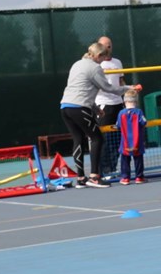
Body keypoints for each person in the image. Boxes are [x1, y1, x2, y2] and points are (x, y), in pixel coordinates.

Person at [58, 41, 135, 188]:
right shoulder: (95, 68)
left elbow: (82, 89)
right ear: (99, 55)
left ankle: (81, 177)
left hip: (65, 107)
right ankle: (94, 176)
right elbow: (108, 88)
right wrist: (128, 88)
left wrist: (94, 108)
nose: (103, 60)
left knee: (78, 139)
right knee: (97, 138)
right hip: (79, 108)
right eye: (103, 57)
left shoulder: (77, 64)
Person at [94, 36, 126, 177]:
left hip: (118, 104)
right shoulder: (96, 65)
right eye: (104, 46)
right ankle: (103, 169)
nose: (107, 48)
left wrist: (126, 96)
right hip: (104, 105)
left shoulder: (117, 62)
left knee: (118, 138)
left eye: (109, 45)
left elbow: (121, 81)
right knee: (104, 139)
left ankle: (113, 168)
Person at [115, 88, 147, 185]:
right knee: (138, 160)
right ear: (136, 101)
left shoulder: (121, 113)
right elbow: (144, 122)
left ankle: (125, 178)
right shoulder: (138, 112)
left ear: (125, 101)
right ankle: (139, 177)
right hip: (137, 140)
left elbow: (118, 125)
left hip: (125, 142)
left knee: (125, 160)